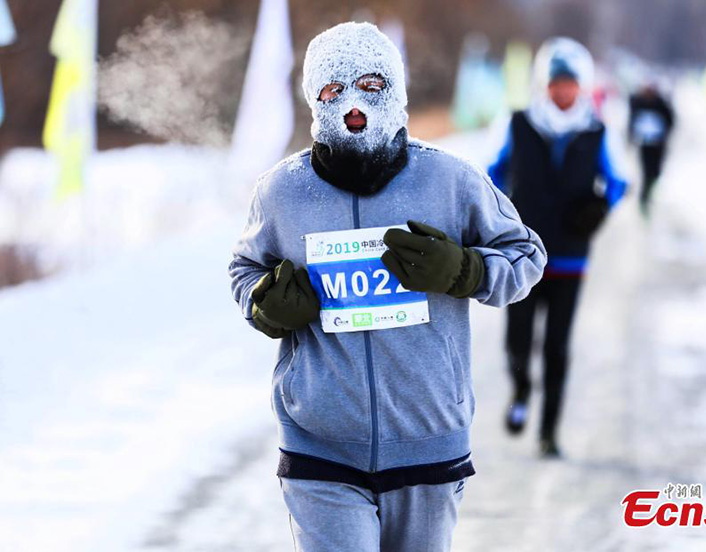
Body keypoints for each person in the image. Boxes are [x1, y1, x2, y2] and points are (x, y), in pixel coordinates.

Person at [229, 22, 545, 552]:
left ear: (395, 91)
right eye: (334, 90)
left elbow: (526, 255)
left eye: (371, 85)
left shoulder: (450, 180)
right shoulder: (282, 192)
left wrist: (464, 271)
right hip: (319, 449)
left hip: (428, 445)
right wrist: (266, 305)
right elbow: (245, 270)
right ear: (315, 100)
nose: (353, 105)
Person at [488, 37, 627, 458]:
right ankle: (521, 391)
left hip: (569, 256)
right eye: (554, 83)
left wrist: (599, 208)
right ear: (542, 85)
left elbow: (619, 181)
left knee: (557, 346)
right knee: (517, 340)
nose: (562, 91)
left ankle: (549, 431)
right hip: (523, 256)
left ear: (581, 86)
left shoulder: (597, 130)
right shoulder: (518, 124)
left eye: (569, 84)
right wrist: (503, 214)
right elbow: (490, 175)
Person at [628, 81, 674, 213]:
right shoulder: (638, 103)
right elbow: (632, 121)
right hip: (644, 145)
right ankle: (644, 198)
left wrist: (663, 136)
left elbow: (670, 121)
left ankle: (650, 193)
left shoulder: (661, 104)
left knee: (656, 172)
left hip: (658, 146)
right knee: (646, 172)